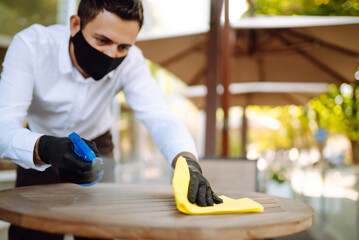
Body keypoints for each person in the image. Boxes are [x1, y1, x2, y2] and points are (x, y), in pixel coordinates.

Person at [0, 0, 223, 239]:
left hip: (97, 145)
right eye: (102, 40)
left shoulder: (132, 62)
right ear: (75, 25)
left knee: (99, 229)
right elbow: (3, 126)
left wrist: (187, 161)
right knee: (32, 232)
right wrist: (45, 147)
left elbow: (159, 116)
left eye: (123, 47)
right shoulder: (31, 46)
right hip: (39, 146)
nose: (111, 55)